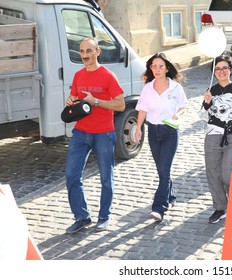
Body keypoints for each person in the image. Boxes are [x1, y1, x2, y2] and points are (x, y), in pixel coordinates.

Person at [65, 37, 125, 233]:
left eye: (89, 51)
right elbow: (77, 101)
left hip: (104, 133)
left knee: (106, 177)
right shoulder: (78, 75)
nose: (84, 55)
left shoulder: (108, 76)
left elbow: (121, 105)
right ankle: (81, 217)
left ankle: (104, 216)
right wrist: (71, 101)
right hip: (81, 132)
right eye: (82, 51)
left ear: (97, 52)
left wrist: (96, 101)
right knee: (72, 175)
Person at [200, 52, 232, 224]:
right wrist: (206, 103)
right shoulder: (211, 91)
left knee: (227, 174)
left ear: (230, 70)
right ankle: (220, 208)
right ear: (213, 72)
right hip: (212, 136)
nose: (221, 71)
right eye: (217, 69)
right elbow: (202, 116)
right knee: (213, 173)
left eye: (224, 68)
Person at [135, 53, 188, 222]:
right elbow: (142, 109)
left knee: (165, 170)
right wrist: (138, 129)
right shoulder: (147, 88)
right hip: (153, 132)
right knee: (162, 170)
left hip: (170, 132)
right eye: (153, 66)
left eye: (160, 66)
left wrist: (178, 115)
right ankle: (170, 196)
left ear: (167, 68)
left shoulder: (175, 88)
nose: (157, 70)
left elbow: (183, 106)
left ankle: (159, 207)